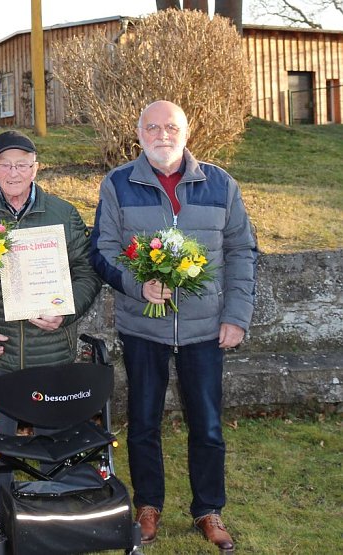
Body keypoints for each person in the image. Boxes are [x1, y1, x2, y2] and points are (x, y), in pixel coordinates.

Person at [89, 100, 257, 552]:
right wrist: (138, 285)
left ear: (187, 132)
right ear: (138, 134)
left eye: (171, 127)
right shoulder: (118, 183)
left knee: (208, 425)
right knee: (144, 423)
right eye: (152, 127)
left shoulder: (220, 183)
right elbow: (102, 249)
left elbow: (242, 251)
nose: (162, 135)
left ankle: (208, 509)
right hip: (144, 329)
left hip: (205, 329)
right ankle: (148, 506)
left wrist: (236, 316)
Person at [0, 130, 103, 516]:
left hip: (52, 357)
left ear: (35, 169)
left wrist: (66, 312)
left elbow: (87, 274)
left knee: (58, 447)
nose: (14, 172)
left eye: (22, 165)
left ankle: (58, 517)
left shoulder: (63, 213)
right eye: (5, 165)